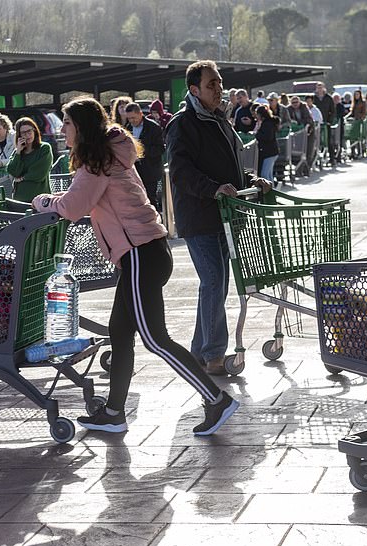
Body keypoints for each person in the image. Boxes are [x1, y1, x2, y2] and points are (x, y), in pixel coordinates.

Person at [31, 97, 239, 436]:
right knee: (119, 331)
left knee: (156, 339)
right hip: (145, 253)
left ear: (80, 127)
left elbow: (71, 207)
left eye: (67, 124)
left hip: (141, 254)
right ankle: (114, 412)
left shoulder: (97, 162)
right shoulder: (111, 153)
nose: (62, 130)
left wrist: (42, 201)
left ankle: (216, 399)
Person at [165, 60, 272, 375]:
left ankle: (199, 351)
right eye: (211, 84)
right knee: (213, 282)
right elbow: (181, 173)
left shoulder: (219, 120)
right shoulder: (183, 124)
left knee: (215, 284)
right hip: (200, 217)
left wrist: (251, 181)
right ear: (194, 90)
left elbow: (231, 169)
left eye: (220, 83)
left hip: (225, 215)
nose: (219, 89)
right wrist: (213, 189)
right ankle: (213, 355)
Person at [124, 102, 165, 211]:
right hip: (134, 170)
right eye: (129, 118)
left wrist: (142, 151)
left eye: (133, 117)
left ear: (140, 114)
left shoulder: (153, 127)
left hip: (150, 171)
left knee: (150, 199)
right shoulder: (128, 127)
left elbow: (160, 148)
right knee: (135, 199)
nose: (132, 121)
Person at [6, 116, 53, 202]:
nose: (27, 135)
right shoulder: (18, 152)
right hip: (20, 199)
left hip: (40, 199)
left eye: (29, 131)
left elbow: (39, 174)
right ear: (19, 135)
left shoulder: (44, 148)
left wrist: (22, 178)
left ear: (34, 130)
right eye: (23, 132)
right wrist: (18, 152)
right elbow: (12, 171)